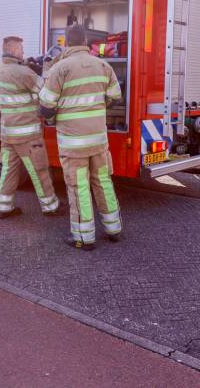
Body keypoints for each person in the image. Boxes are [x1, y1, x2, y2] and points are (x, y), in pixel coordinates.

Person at [39, 24, 123, 250]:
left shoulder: (60, 69)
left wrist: (55, 113)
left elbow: (46, 107)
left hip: (73, 143)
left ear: (66, 42)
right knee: (103, 181)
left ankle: (84, 237)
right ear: (85, 41)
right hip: (98, 141)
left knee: (79, 187)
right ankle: (113, 228)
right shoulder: (103, 65)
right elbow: (116, 97)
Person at [0, 36, 59, 219]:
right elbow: (46, 92)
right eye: (21, 49)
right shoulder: (23, 73)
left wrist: (28, 67)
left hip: (7, 133)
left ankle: (4, 207)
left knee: (9, 170)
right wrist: (45, 69)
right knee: (39, 169)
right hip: (27, 133)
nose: (23, 52)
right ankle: (50, 206)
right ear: (14, 50)